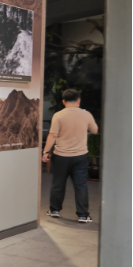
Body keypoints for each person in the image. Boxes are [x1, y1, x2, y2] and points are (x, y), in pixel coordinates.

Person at [42, 89, 99, 223]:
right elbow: (94, 130)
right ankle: (83, 215)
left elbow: (53, 135)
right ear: (78, 101)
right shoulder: (86, 114)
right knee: (81, 185)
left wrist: (45, 152)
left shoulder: (58, 115)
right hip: (80, 156)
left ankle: (54, 210)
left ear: (63, 101)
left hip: (61, 156)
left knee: (58, 184)